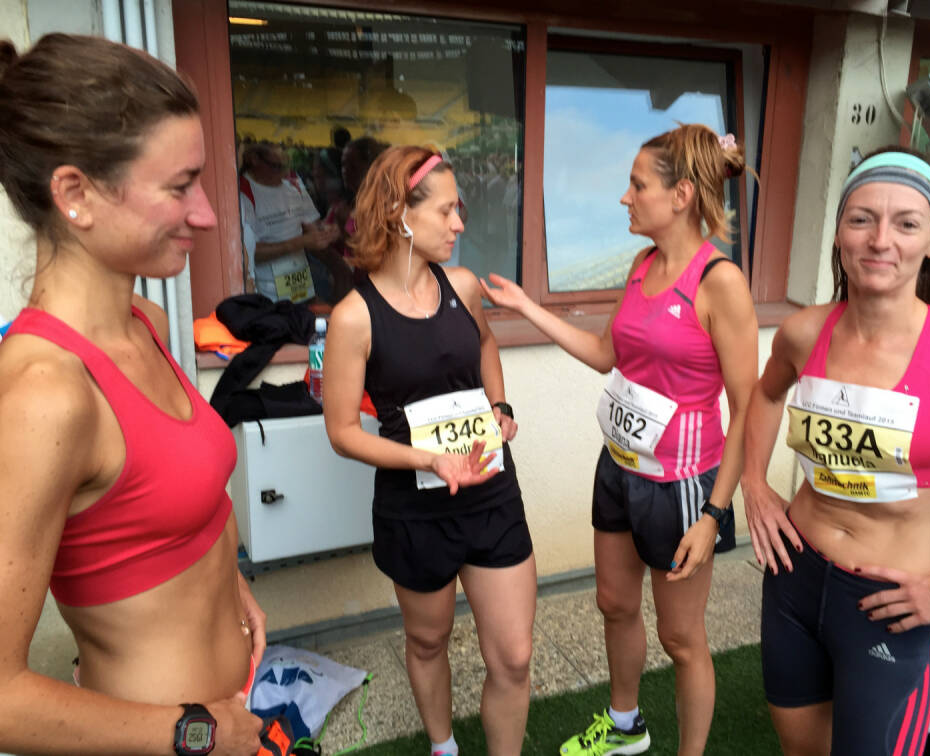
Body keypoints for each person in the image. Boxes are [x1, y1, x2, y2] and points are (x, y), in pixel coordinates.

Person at [0, 33, 265, 755]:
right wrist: (198, 734)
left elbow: (169, 508)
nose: (207, 214)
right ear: (75, 194)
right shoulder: (45, 394)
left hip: (230, 709)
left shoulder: (142, 321)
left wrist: (226, 589)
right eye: (180, 187)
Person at [481, 124, 758, 756]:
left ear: (682, 194)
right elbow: (608, 353)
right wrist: (528, 307)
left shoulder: (720, 282)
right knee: (613, 603)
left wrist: (715, 512)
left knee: (682, 639)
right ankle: (626, 727)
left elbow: (746, 410)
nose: (625, 198)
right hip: (620, 468)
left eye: (638, 185)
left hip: (683, 484)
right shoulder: (641, 265)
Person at [741, 147, 930, 756]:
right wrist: (755, 484)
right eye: (862, 218)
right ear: (839, 233)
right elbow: (763, 397)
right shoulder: (805, 331)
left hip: (890, 604)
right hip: (793, 576)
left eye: (906, 223)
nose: (880, 240)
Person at [323, 146, 535, 756]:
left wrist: (501, 407)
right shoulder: (353, 318)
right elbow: (342, 431)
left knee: (515, 657)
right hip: (415, 511)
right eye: (447, 211)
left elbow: (487, 344)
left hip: (491, 492)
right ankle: (443, 747)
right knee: (427, 642)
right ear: (399, 212)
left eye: (459, 210)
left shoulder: (462, 287)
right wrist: (429, 460)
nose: (460, 225)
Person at [238, 141, 339, 303]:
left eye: (285, 166)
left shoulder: (293, 184)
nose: (282, 174)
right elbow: (247, 252)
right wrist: (299, 243)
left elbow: (312, 227)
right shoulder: (243, 191)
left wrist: (327, 232)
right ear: (254, 159)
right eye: (275, 167)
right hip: (267, 295)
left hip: (302, 288)